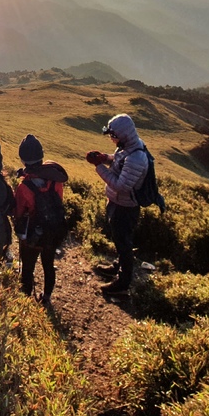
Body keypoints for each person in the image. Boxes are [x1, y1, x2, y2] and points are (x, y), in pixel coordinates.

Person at [86, 113, 148, 301]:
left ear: (124, 135)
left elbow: (121, 186)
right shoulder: (128, 147)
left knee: (123, 243)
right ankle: (117, 267)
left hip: (125, 206)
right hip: (117, 203)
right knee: (120, 239)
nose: (112, 139)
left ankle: (122, 283)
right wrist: (105, 158)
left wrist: (99, 167)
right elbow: (119, 160)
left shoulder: (137, 158)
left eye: (114, 136)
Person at [13, 134, 68, 306]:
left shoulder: (24, 187)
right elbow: (58, 200)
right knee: (48, 265)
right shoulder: (55, 180)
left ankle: (25, 301)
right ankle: (46, 297)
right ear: (41, 156)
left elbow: (19, 211)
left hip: (33, 235)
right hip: (53, 231)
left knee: (28, 268)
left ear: (23, 159)